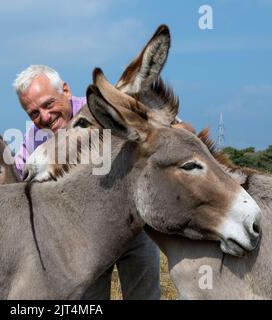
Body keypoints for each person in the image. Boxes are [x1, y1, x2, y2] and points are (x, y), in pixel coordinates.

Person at [12, 65, 161, 300]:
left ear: (66, 91)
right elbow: (16, 174)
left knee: (144, 296)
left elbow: (159, 130)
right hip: (84, 238)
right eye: (33, 113)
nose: (44, 117)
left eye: (48, 104)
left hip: (133, 229)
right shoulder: (33, 137)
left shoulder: (100, 109)